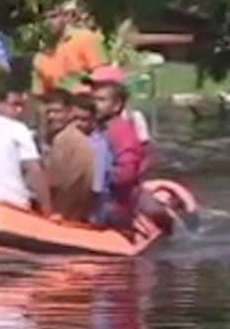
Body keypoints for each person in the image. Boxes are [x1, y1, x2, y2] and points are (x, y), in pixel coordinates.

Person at [0, 81, 53, 215]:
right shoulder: (18, 129)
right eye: (15, 105)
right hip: (10, 203)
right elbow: (34, 170)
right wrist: (48, 211)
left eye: (21, 106)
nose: (19, 111)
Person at [89, 67, 153, 230]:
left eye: (101, 100)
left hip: (116, 198)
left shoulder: (120, 129)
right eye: (93, 99)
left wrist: (107, 181)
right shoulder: (97, 127)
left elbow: (127, 170)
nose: (94, 105)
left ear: (117, 105)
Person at [41, 89, 95, 221]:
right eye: (48, 112)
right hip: (77, 211)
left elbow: (54, 182)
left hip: (65, 212)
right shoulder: (78, 137)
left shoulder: (64, 139)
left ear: (70, 112)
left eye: (57, 112)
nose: (51, 116)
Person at [37, 0, 108, 94]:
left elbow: (104, 76)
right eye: (44, 19)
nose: (48, 22)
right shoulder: (44, 53)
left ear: (66, 16)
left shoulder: (86, 38)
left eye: (53, 16)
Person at [69, 93, 113, 224]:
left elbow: (96, 187)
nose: (77, 124)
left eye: (83, 120)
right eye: (74, 119)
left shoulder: (98, 146)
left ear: (93, 120)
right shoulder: (71, 139)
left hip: (93, 209)